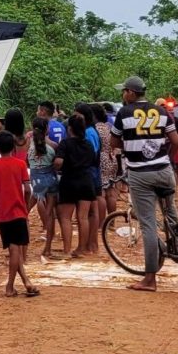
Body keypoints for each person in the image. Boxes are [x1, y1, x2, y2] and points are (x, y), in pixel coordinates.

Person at [110, 76, 178, 293]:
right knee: (172, 217)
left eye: (124, 91)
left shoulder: (124, 113)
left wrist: (131, 144)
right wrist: (164, 157)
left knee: (148, 225)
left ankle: (150, 279)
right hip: (164, 170)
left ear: (131, 93)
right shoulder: (161, 112)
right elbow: (176, 142)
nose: (123, 94)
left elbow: (114, 142)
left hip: (140, 173)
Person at [0, 131, 39, 297]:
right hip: (18, 211)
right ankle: (10, 286)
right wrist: (25, 205)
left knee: (13, 248)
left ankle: (26, 281)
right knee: (16, 250)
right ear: (13, 147)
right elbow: (28, 189)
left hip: (2, 213)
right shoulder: (20, 164)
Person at [54, 114, 96, 259]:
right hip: (86, 181)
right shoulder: (88, 144)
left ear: (69, 128)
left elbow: (58, 162)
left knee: (65, 217)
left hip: (69, 181)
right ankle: (81, 249)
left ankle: (66, 250)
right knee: (83, 218)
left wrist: (55, 167)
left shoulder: (65, 143)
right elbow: (93, 160)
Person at [28, 117, 58, 259]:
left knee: (24, 210)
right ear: (47, 129)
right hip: (50, 180)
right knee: (50, 214)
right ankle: (48, 248)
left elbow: (27, 163)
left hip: (36, 182)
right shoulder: (53, 145)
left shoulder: (29, 145)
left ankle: (20, 247)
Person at [75, 103, 102, 254]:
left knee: (89, 211)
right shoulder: (91, 131)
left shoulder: (89, 133)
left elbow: (91, 153)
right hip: (93, 172)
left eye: (77, 115)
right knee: (92, 210)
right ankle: (92, 243)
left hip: (90, 173)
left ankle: (89, 244)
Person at [93, 104, 120, 215]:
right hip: (111, 158)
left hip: (101, 159)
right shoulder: (108, 127)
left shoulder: (95, 129)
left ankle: (102, 220)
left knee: (101, 192)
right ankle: (111, 220)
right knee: (111, 191)